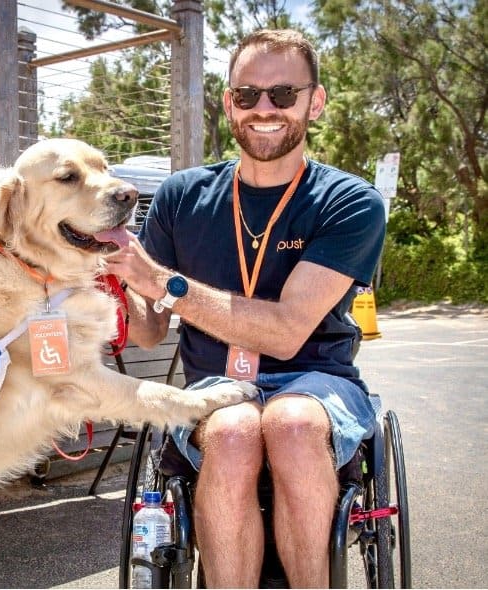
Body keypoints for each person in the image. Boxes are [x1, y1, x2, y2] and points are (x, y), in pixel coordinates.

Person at [106, 28, 386, 588]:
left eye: (283, 95)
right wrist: (116, 281)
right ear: (227, 101)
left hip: (317, 379)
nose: (264, 109)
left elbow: (284, 334)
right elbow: (147, 332)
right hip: (215, 382)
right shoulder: (181, 195)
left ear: (316, 101)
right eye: (246, 95)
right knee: (233, 432)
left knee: (291, 422)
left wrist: (164, 281)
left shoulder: (350, 202)